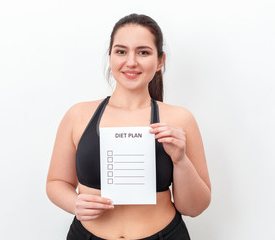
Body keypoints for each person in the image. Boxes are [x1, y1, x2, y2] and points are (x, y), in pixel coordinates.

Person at [46, 13, 211, 240]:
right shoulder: (78, 115)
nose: (131, 61)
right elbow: (56, 182)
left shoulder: (180, 119)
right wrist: (74, 203)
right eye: (121, 51)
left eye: (143, 52)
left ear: (160, 61)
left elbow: (194, 208)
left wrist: (180, 160)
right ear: (111, 56)